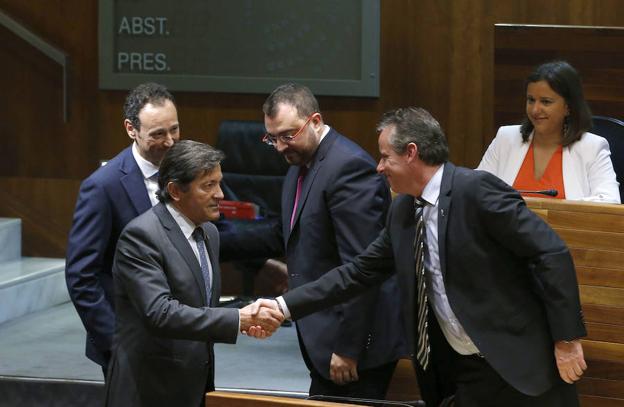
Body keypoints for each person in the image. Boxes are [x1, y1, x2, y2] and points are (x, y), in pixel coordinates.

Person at [254, 107, 588, 407]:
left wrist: (567, 338)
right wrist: (283, 306)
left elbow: (551, 252)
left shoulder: (475, 191)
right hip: (463, 372)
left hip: (519, 366)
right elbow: (356, 273)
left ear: (411, 153)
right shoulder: (402, 211)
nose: (379, 167)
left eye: (385, 157)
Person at [221, 83, 405, 399]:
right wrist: (211, 243)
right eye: (272, 138)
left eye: (288, 135)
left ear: (316, 121)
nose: (279, 147)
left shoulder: (348, 169)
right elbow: (285, 233)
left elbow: (363, 269)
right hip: (321, 333)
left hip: (353, 346)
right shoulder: (301, 163)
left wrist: (349, 348)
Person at [104, 140, 283, 407]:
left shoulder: (209, 233)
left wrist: (244, 323)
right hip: (149, 390)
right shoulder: (141, 236)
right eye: (208, 185)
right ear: (176, 190)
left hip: (195, 384)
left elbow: (201, 308)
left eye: (219, 183)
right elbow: (160, 313)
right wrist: (236, 320)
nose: (221, 194)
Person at [65, 82, 180, 375]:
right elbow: (81, 276)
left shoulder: (185, 170)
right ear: (131, 129)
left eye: (174, 129)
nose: (170, 141)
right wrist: (116, 343)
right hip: (129, 343)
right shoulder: (102, 187)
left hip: (184, 338)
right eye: (158, 134)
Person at [477, 60, 620, 203]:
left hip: (563, 225)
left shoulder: (592, 147)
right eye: (531, 100)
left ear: (568, 107)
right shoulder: (505, 138)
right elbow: (475, 190)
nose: (535, 110)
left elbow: (609, 202)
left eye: (546, 102)